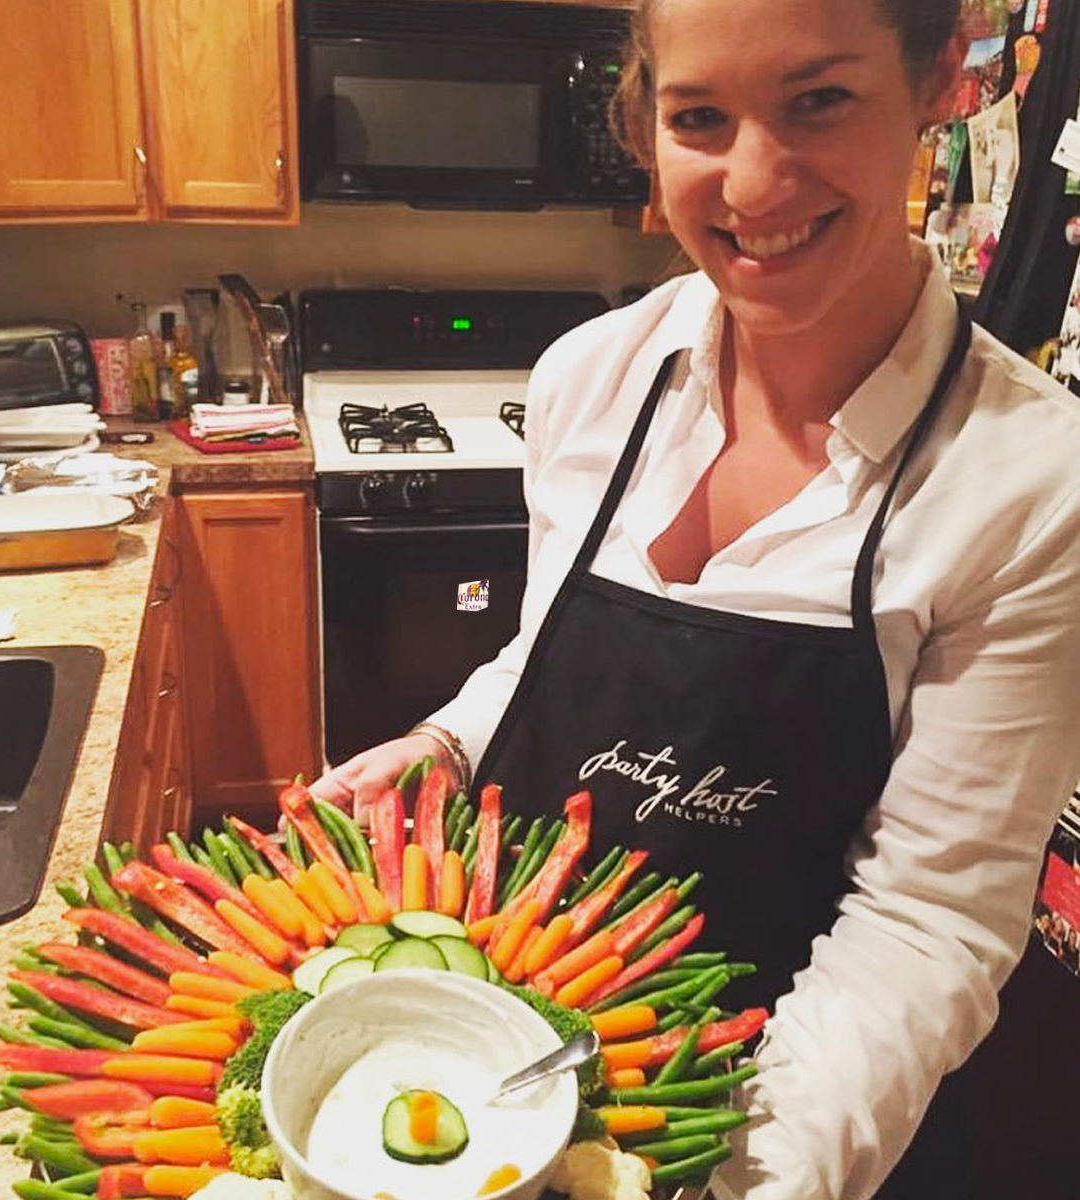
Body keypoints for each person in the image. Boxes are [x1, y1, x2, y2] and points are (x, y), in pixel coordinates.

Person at [313, 1, 1080, 1196]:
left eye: (819, 101)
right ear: (648, 121)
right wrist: (447, 740)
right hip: (529, 1059)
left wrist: (732, 1176)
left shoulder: (1030, 482)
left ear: (939, 80)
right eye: (700, 118)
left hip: (801, 1117)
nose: (754, 183)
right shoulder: (592, 378)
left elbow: (928, 926)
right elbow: (548, 646)